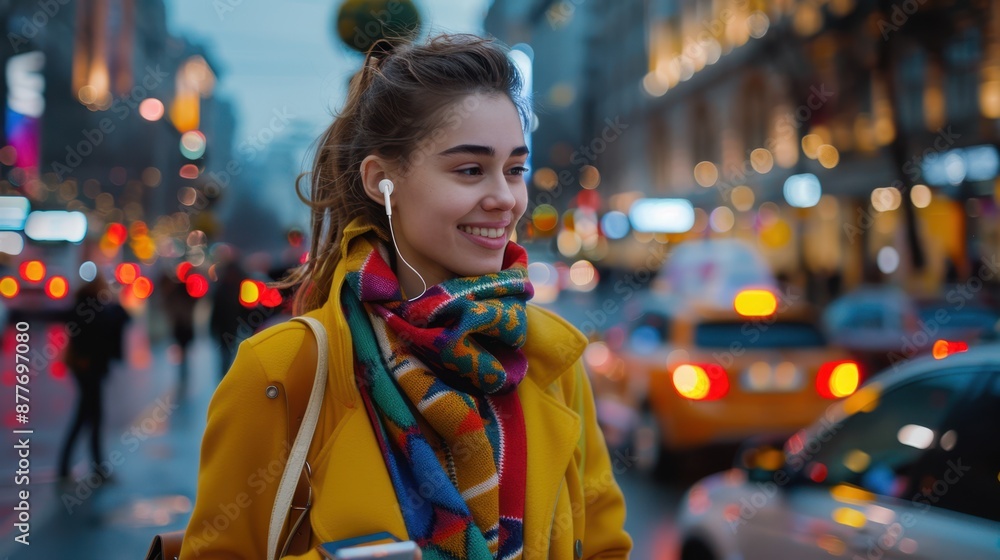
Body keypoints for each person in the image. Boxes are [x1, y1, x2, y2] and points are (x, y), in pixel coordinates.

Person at [181, 34, 632, 559]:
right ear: (382, 182)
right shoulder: (282, 371)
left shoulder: (552, 362)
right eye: (469, 169)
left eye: (514, 169)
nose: (505, 199)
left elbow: (605, 548)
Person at [58, 273, 129, 481]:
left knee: (86, 417)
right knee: (90, 418)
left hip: (87, 369)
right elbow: (116, 321)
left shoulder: (92, 307)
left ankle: (78, 466)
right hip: (88, 369)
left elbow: (122, 319)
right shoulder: (90, 309)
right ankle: (96, 468)